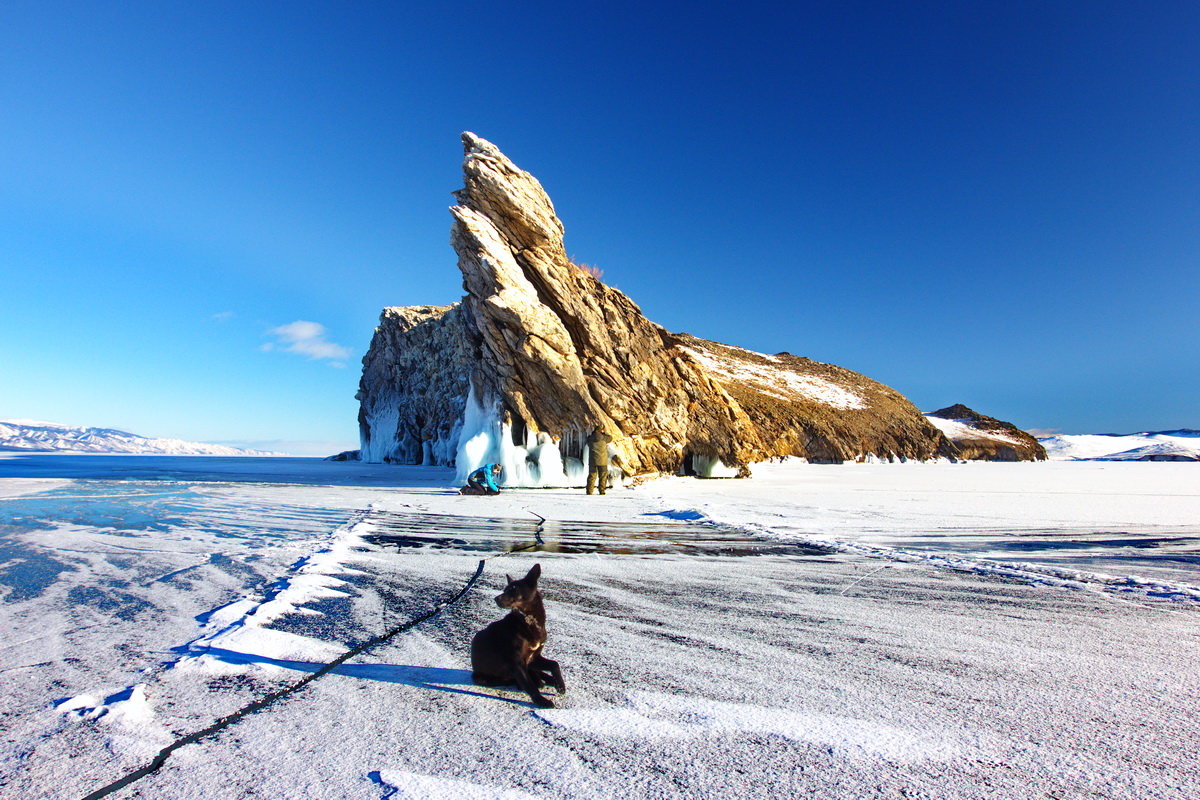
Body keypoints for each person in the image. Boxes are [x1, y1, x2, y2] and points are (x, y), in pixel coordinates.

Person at [585, 428, 624, 495]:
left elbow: (588, 440)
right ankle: (602, 491)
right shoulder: (604, 438)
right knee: (603, 477)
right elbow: (610, 438)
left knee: (592, 476)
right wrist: (604, 433)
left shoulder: (590, 439)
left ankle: (589, 491)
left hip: (593, 461)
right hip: (602, 461)